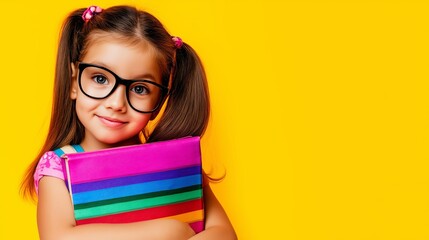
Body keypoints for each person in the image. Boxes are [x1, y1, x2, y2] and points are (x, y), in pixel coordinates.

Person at [21, 5, 237, 240]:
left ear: (159, 101)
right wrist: (169, 231)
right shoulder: (58, 167)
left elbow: (224, 233)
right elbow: (59, 237)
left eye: (140, 89)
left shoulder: (174, 163)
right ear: (74, 82)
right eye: (100, 78)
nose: (116, 103)